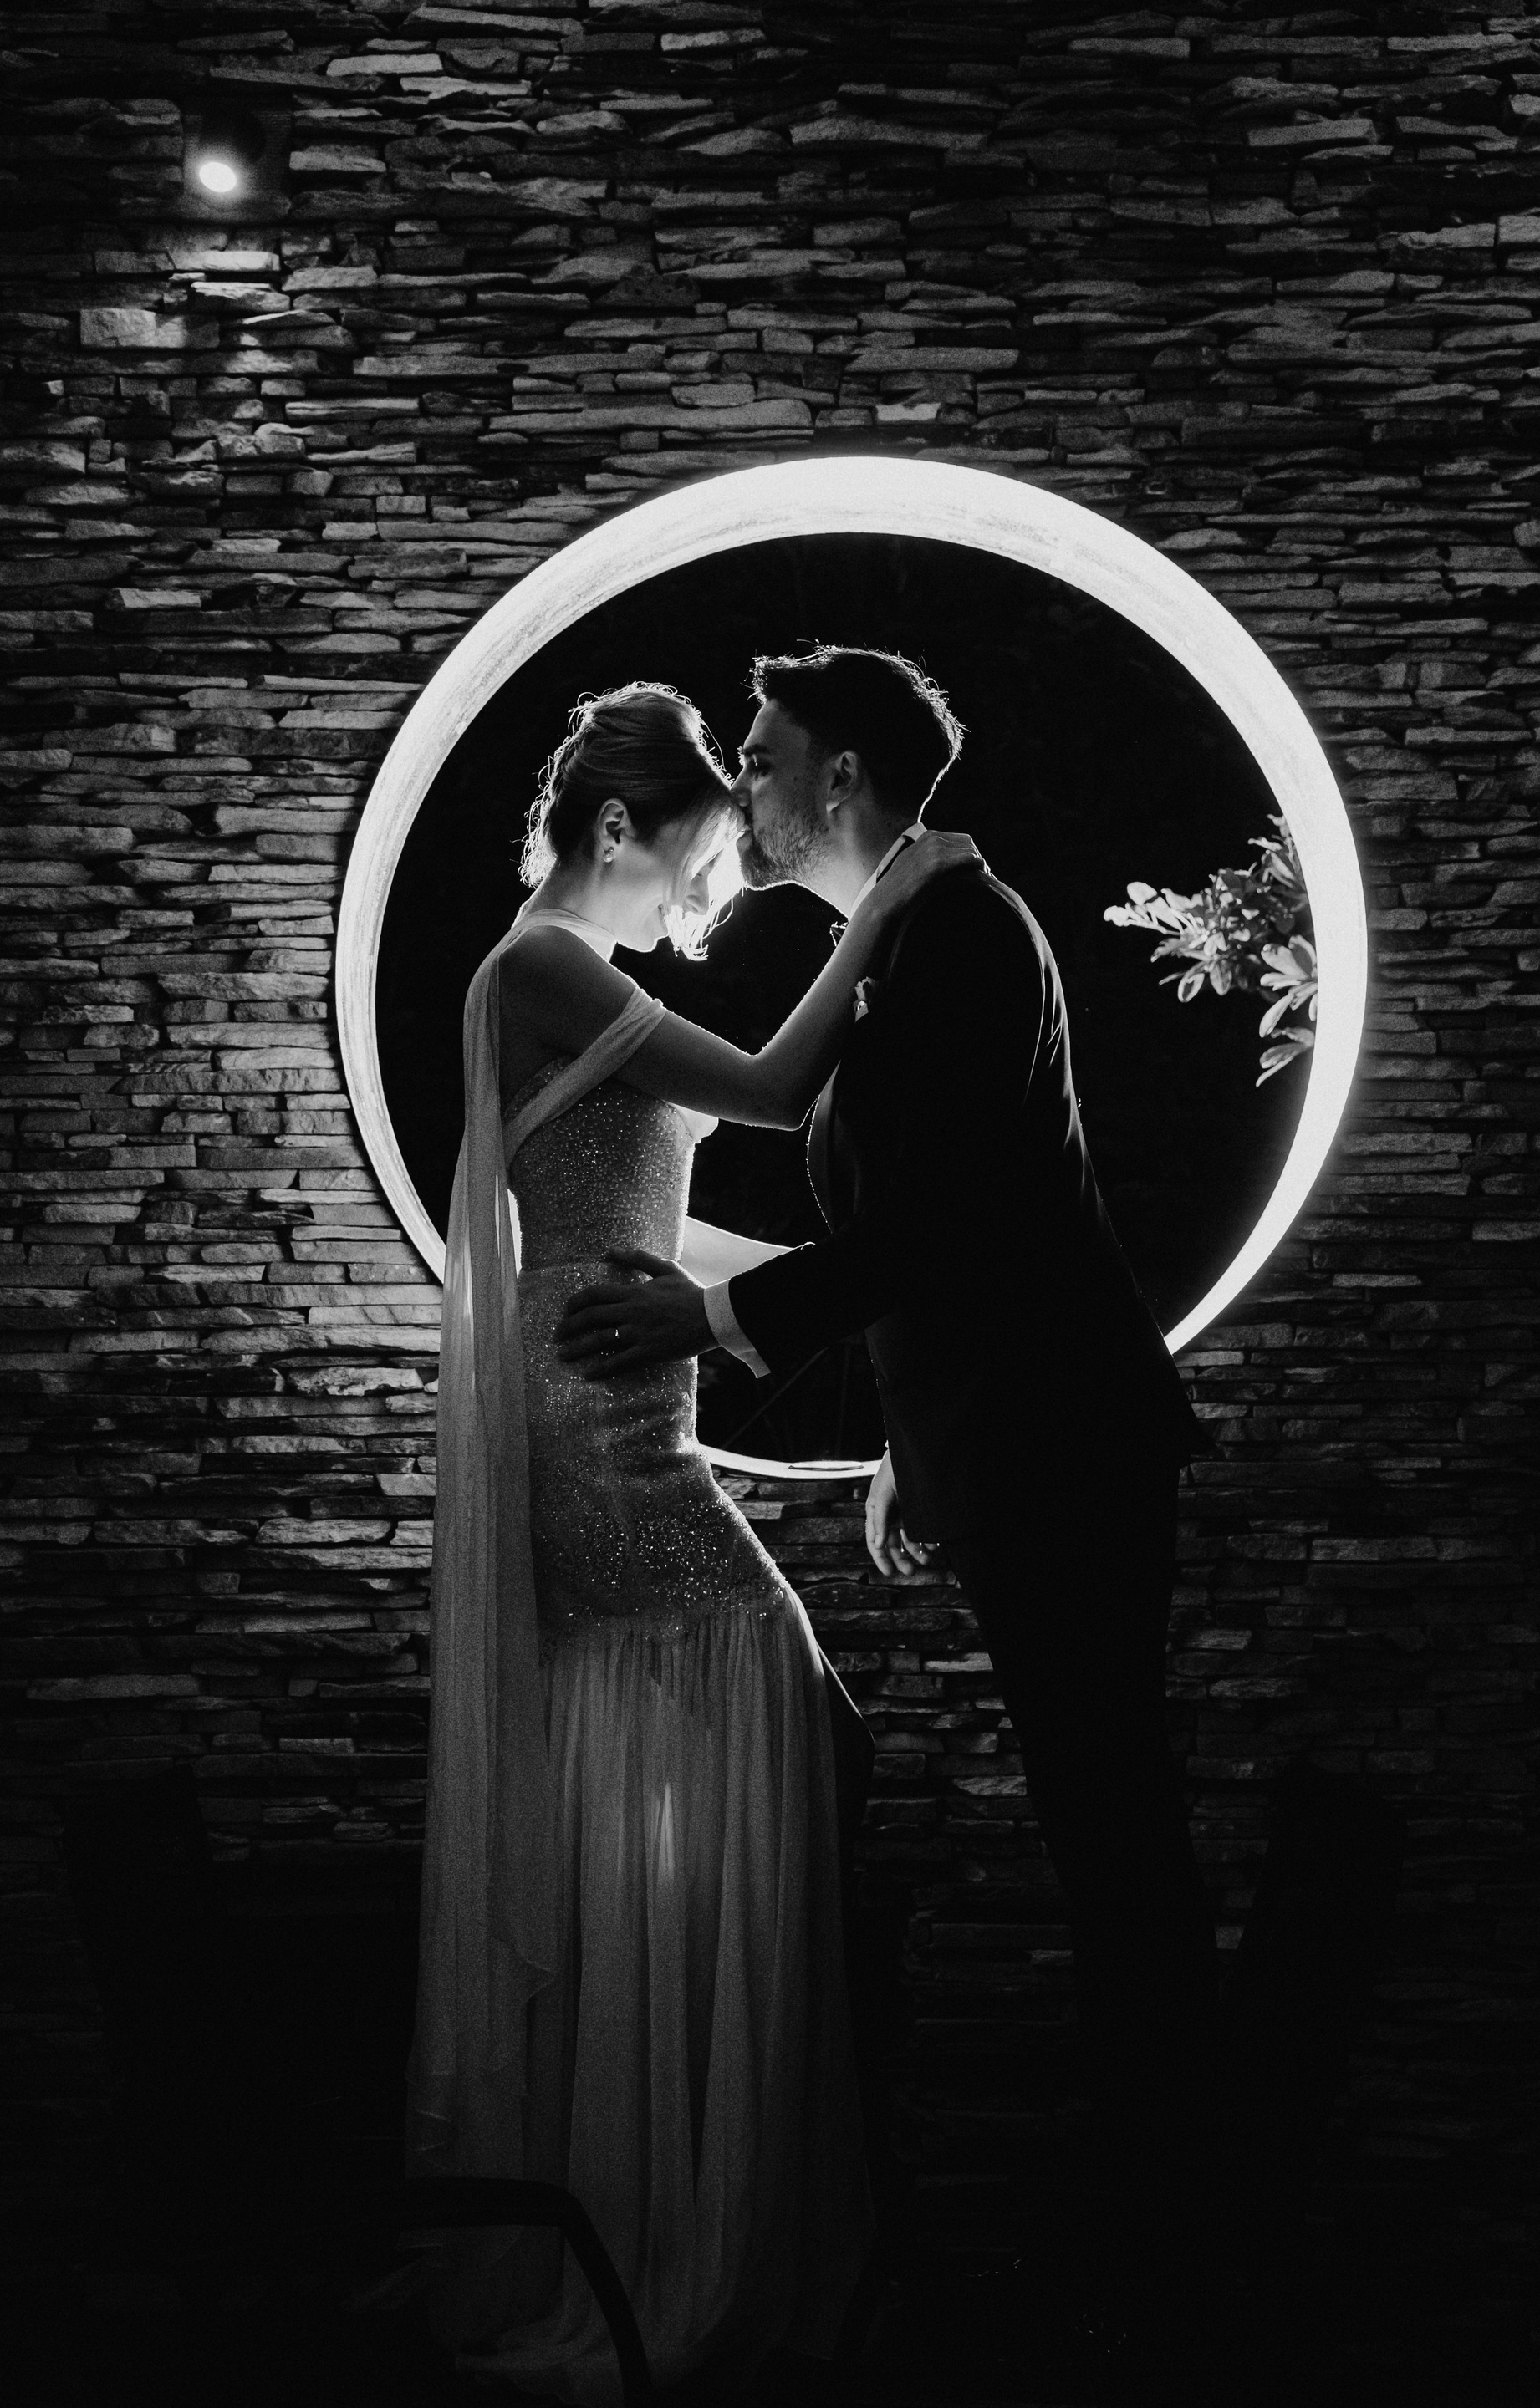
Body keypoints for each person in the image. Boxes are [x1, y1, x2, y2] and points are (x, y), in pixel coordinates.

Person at [556, 648, 1221, 2319]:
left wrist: (711, 1319)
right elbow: (929, 1222)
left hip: (1066, 1448)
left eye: (764, 756)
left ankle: (1167, 2233)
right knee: (1101, 1818)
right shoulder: (915, 941)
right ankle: (1148, 2208)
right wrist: (906, 1443)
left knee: (1112, 1830)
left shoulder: (968, 934)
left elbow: (946, 1220)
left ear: (840, 775)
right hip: (1009, 1441)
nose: (745, 787)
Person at [408, 680, 976, 2405]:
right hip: (604, 1434)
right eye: (699, 860)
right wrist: (889, 902)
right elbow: (785, 1089)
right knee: (793, 1725)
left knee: (737, 1776)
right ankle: (706, 2215)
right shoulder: (546, 966)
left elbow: (648, 1228)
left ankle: (682, 2184)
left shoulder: (559, 978)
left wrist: (833, 1330)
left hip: (611, 1401)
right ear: (613, 831)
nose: (712, 896)